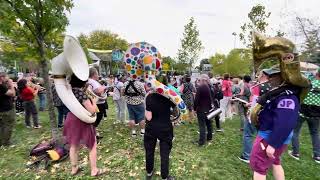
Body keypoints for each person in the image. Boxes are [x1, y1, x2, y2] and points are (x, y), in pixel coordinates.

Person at [63, 74, 106, 176]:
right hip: (81, 120)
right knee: (92, 144)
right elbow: (92, 110)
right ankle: (94, 170)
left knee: (73, 144)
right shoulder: (80, 93)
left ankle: (74, 169)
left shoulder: (68, 92)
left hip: (70, 118)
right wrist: (95, 102)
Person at [238, 69, 275, 163]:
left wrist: (248, 104)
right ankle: (263, 157)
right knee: (263, 136)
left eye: (259, 74)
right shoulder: (273, 86)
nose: (258, 76)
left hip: (256, 115)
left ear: (262, 75)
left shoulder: (257, 86)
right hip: (267, 115)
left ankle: (246, 156)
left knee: (248, 135)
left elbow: (255, 102)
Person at [144, 86, 176, 180]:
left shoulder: (149, 97)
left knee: (149, 150)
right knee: (165, 153)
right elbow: (175, 112)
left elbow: (148, 117)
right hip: (165, 128)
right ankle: (165, 176)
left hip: (151, 127)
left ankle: (149, 172)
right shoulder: (169, 97)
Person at [289, 68, 320, 163]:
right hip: (317, 112)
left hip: (303, 109)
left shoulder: (309, 83)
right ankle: (317, 155)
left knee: (295, 131)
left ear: (317, 73)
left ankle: (295, 152)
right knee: (315, 133)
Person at [194, 74, 213, 146]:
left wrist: (194, 108)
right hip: (207, 108)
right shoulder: (208, 87)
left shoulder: (200, 87)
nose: (199, 81)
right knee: (208, 124)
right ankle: (209, 137)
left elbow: (196, 99)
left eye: (199, 80)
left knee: (202, 125)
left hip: (201, 109)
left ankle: (201, 141)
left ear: (202, 80)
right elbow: (210, 98)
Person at [0, 72, 16, 146]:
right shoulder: (1, 87)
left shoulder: (2, 86)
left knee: (2, 125)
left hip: (1, 109)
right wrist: (11, 85)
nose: (8, 78)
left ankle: (2, 141)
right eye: (7, 77)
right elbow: (13, 94)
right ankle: (6, 143)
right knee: (8, 125)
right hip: (7, 109)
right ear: (2, 77)